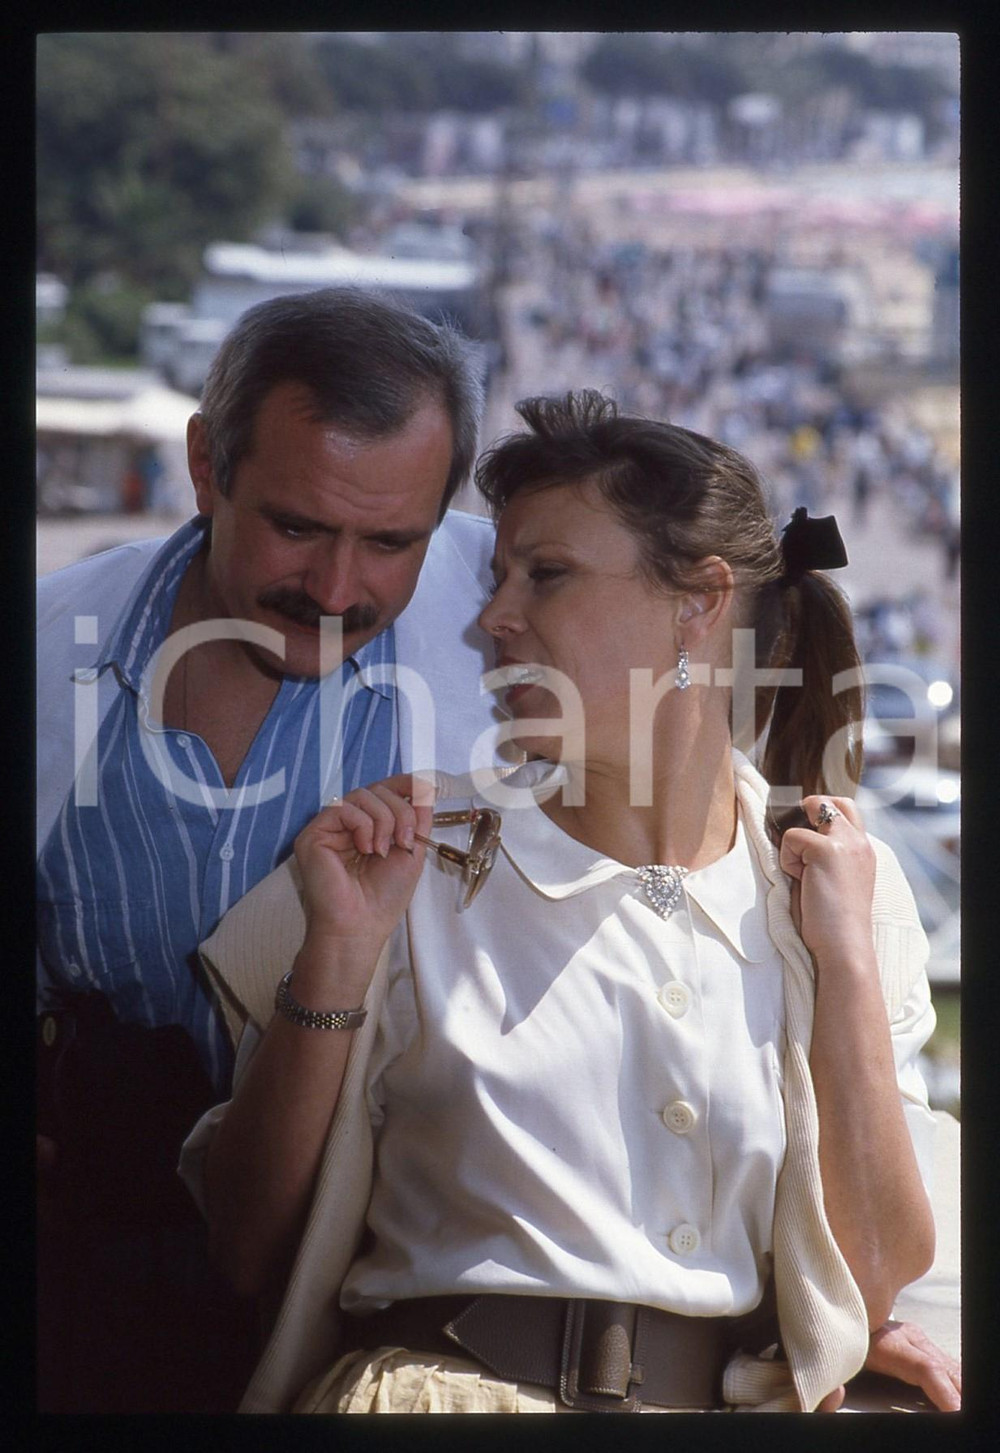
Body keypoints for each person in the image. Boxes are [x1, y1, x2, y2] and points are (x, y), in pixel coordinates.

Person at [180, 390, 959, 1414]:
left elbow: (866, 1279)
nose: (491, 617)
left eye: (544, 575)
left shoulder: (839, 888)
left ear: (699, 605)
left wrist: (847, 965)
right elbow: (243, 1249)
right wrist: (336, 955)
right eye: (499, 573)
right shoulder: (395, 861)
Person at [35, 287, 500, 1412]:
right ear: (207, 465)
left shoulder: (504, 631)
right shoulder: (49, 647)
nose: (338, 589)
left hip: (385, 1299)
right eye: (297, 526)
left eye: (392, 541)